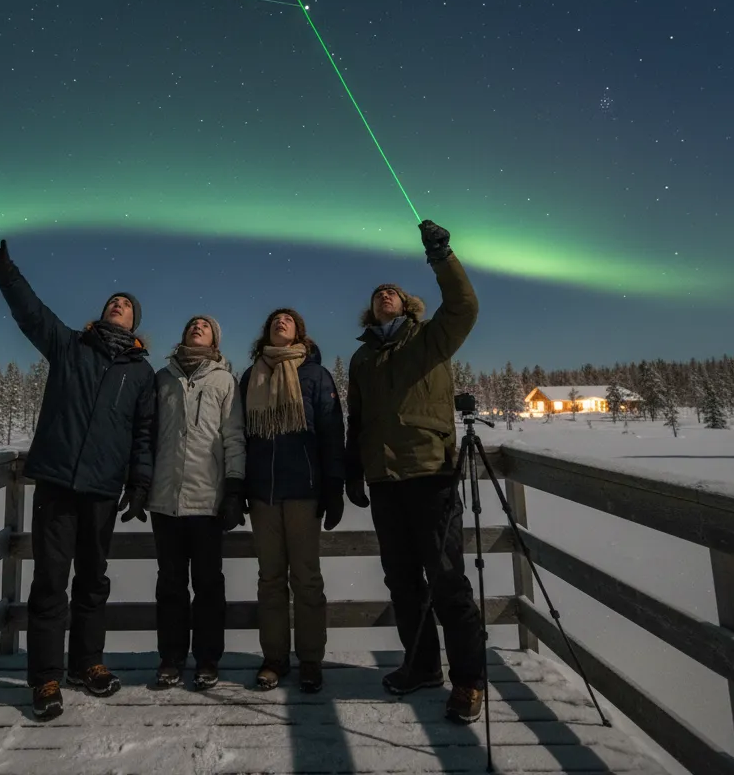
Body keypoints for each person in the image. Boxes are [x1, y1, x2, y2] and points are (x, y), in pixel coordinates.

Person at [0, 236, 155, 721]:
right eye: (113, 302)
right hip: (57, 480)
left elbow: (143, 433)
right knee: (51, 581)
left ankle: (87, 664)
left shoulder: (140, 373)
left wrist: (138, 483)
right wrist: (4, 269)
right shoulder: (71, 345)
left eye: (127, 306)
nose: (118, 306)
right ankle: (46, 676)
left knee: (93, 581)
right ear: (103, 315)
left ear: (135, 323)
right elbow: (30, 312)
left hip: (102, 489)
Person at [344, 219, 484, 723]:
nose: (386, 293)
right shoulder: (363, 358)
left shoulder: (430, 340)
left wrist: (441, 255)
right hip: (385, 482)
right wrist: (353, 470)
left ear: (407, 306)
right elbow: (357, 418)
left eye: (394, 291)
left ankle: (469, 680)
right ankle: (423, 667)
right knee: (403, 584)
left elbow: (464, 305)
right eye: (379, 291)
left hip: (431, 476)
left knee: (448, 583)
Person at [240, 308, 345, 694]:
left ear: (299, 332)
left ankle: (311, 660)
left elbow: (333, 433)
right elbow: (240, 435)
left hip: (303, 491)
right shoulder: (251, 376)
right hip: (263, 494)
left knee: (306, 579)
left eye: (288, 320)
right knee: (269, 580)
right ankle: (274, 659)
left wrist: (334, 486)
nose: (279, 323)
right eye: (273, 320)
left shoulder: (315, 375)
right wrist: (238, 487)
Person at [148, 315, 246, 691]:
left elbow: (233, 438)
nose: (197, 327)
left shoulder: (224, 381)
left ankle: (207, 659)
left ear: (215, 340)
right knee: (170, 584)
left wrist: (234, 489)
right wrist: (142, 483)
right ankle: (171, 658)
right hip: (165, 500)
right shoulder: (163, 378)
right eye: (192, 323)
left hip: (208, 502)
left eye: (205, 325)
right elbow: (149, 433)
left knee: (208, 585)